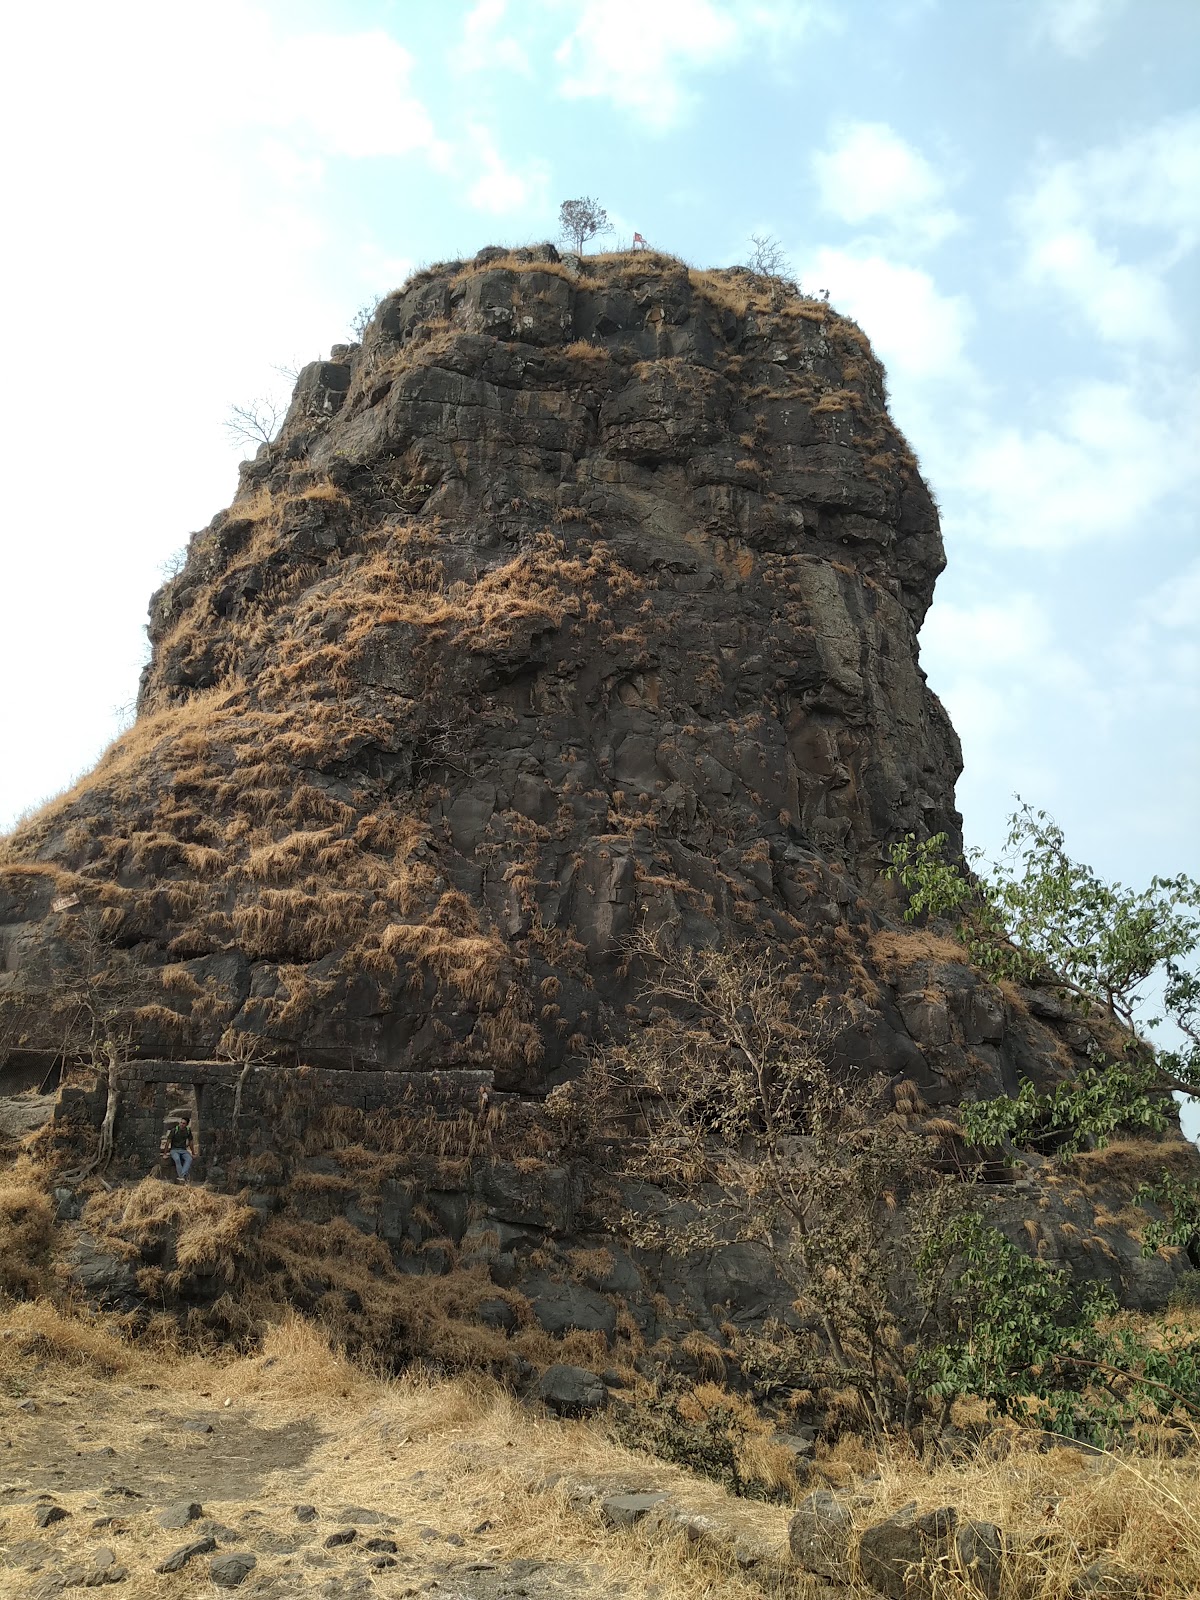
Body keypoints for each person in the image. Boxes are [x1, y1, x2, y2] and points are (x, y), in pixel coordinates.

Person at [167, 1118, 194, 1183]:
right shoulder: (174, 1130)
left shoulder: (188, 1130)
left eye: (183, 1123)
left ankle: (181, 1176)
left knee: (189, 1159)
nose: (181, 1124)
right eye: (181, 1123)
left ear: (186, 1125)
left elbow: (190, 1142)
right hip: (174, 1150)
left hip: (183, 1150)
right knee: (177, 1159)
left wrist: (193, 1152)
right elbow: (168, 1141)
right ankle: (182, 1176)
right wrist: (165, 1153)